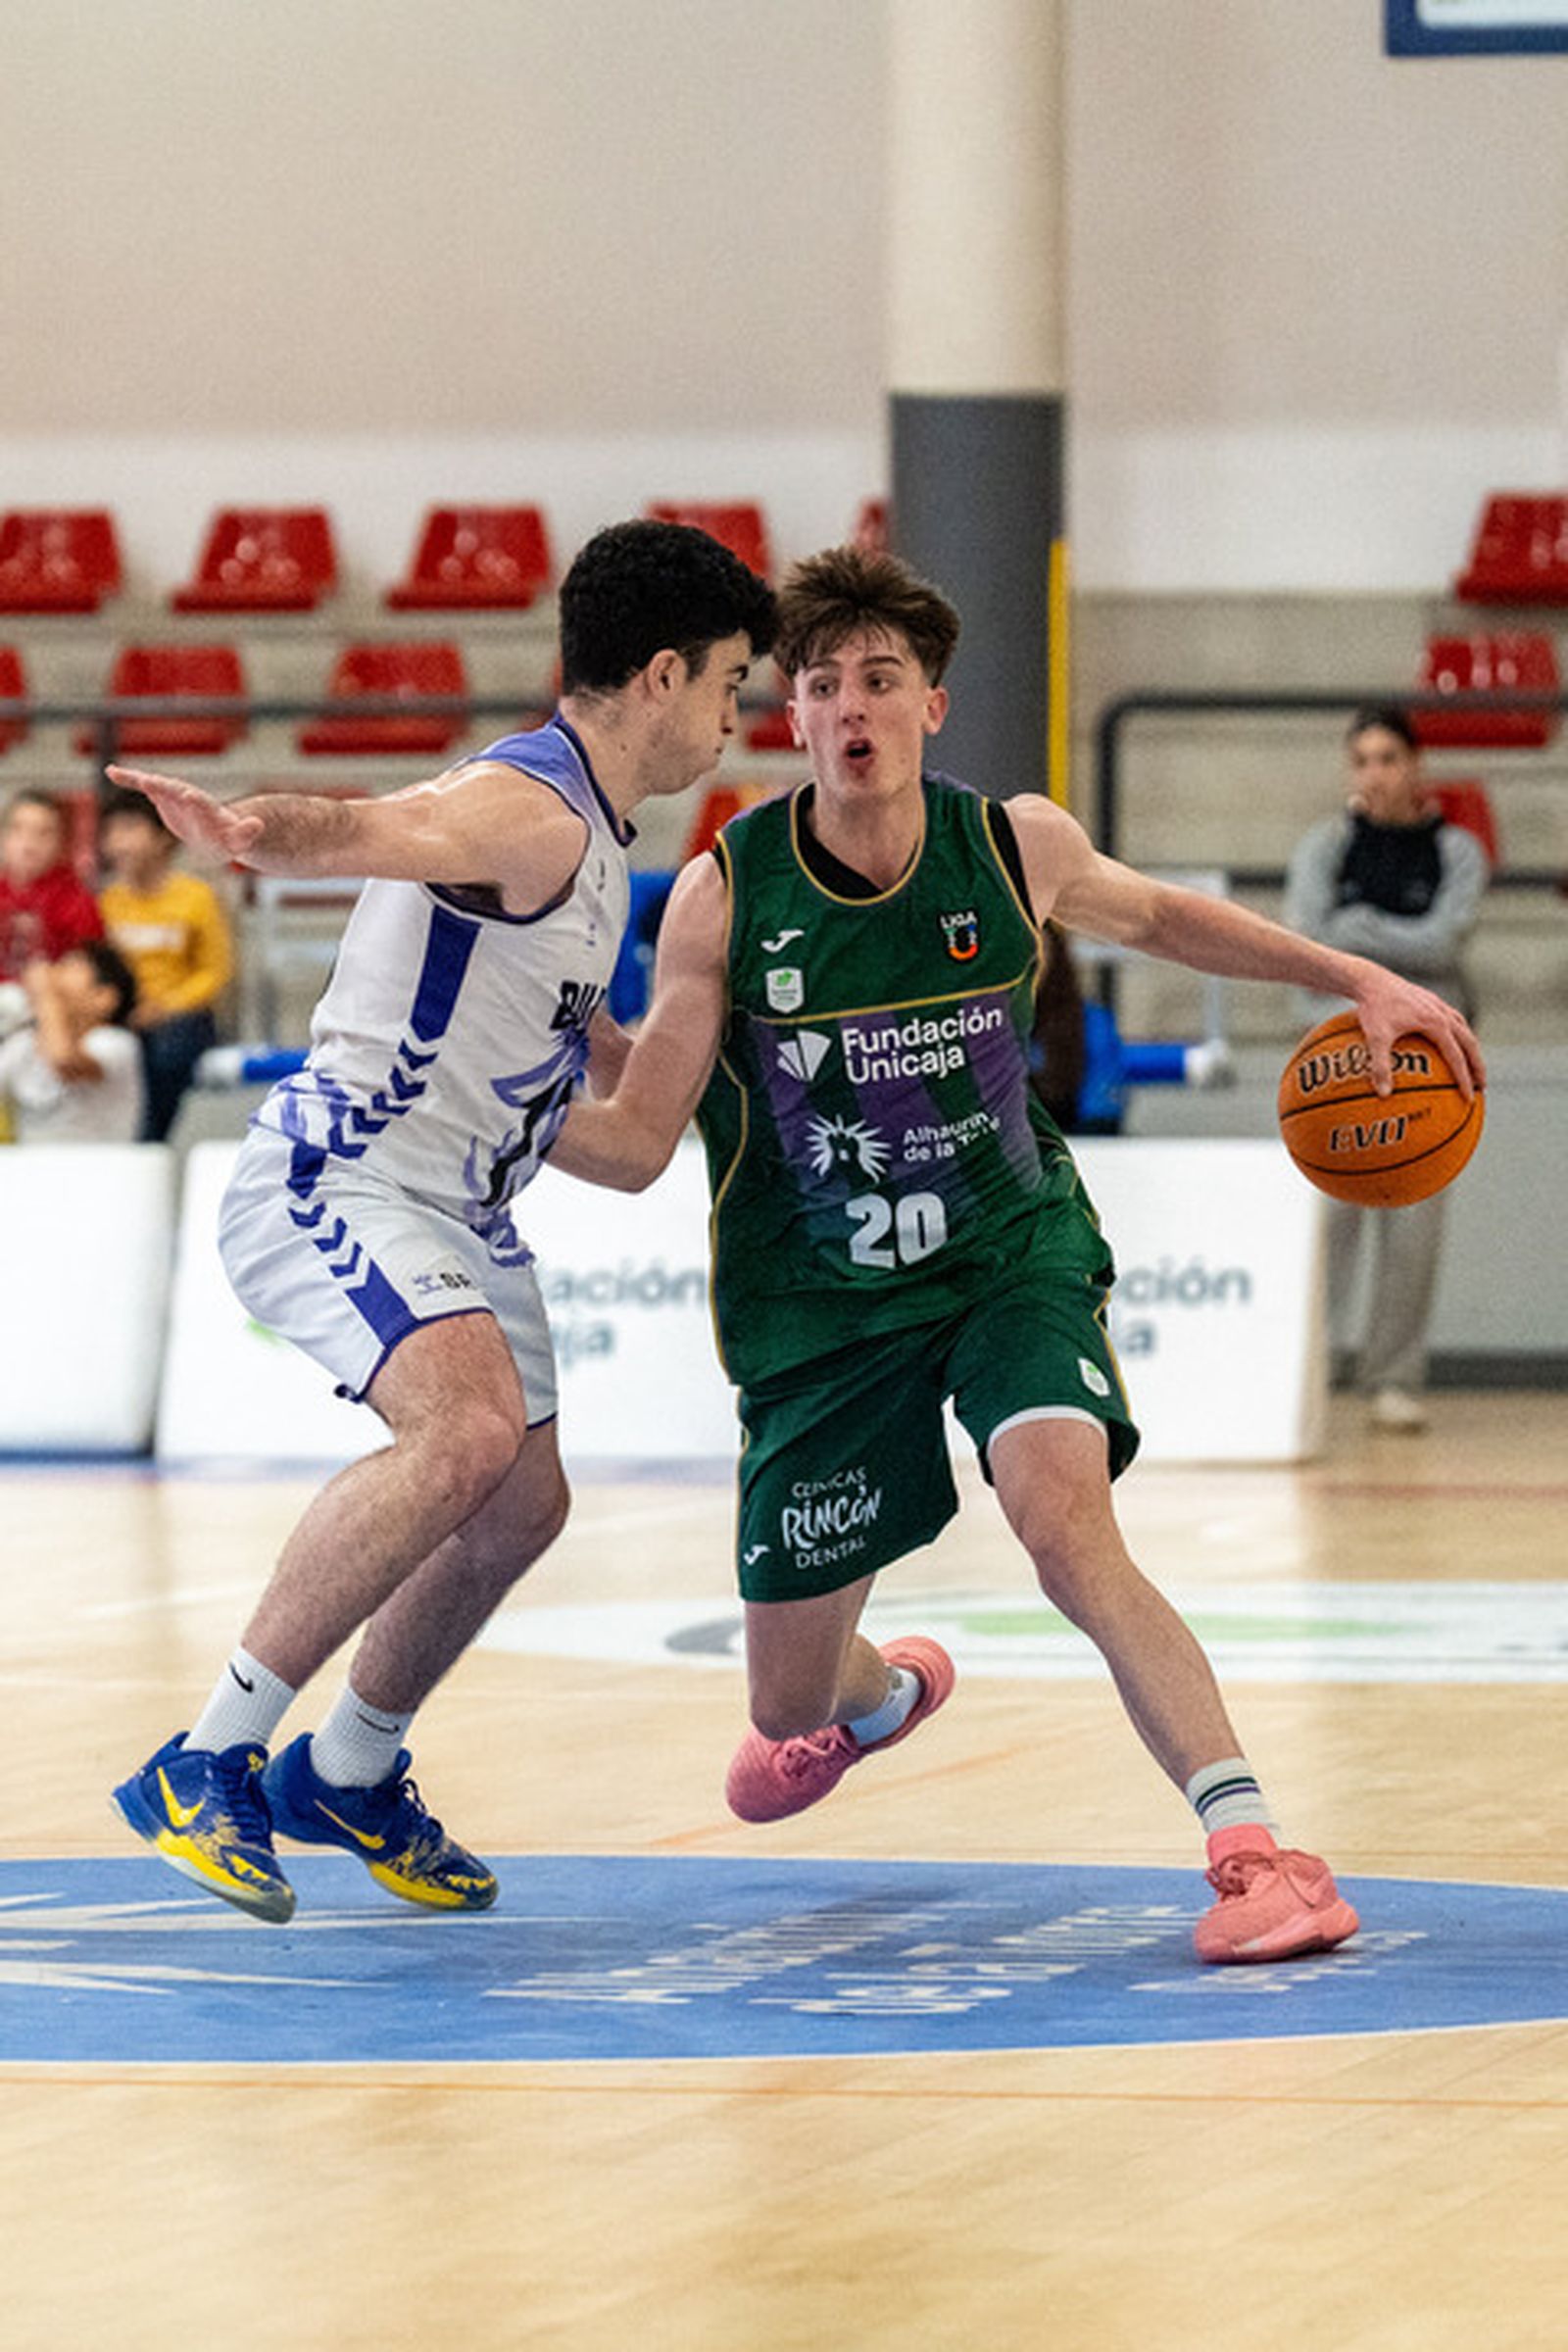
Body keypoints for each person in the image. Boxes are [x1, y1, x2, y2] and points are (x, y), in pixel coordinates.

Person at [553, 545, 1485, 1967]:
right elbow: (636, 1139)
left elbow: (1169, 919)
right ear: (790, 719)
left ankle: (1255, 1852)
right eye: (821, 684)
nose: (851, 706)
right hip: (821, 1303)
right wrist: (498, 1072)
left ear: (934, 705)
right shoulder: (723, 894)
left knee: (1065, 1525)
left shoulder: (1015, 844)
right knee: (780, 1714)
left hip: (1007, 1252)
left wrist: (1356, 976)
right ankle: (868, 1704)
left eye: (882, 679)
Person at [108, 517, 776, 1925]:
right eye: (730, 684)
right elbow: (385, 829)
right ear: (661, 676)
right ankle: (209, 1755)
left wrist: (703, 1002)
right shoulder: (525, 805)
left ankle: (347, 1767)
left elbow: (632, 1145)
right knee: (465, 1430)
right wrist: (254, 832)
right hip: (342, 1179)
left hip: (464, 1208)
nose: (737, 718)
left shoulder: (595, 853)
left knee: (523, 1502)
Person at [1285, 707, 1489, 1434]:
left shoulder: (1457, 851)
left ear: (1415, 765)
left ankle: (1392, 1379)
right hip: (1338, 1060)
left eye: (1388, 758)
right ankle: (1310, 1371)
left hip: (1429, 1063)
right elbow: (1305, 938)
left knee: (1414, 1230)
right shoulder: (1325, 847)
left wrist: (1360, 933)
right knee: (1325, 1223)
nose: (1375, 773)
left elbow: (1444, 940)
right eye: (1362, 760)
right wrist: (1387, 946)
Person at [97, 788, 235, 1142]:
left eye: (129, 829)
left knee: (167, 1050)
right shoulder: (107, 903)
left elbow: (216, 972)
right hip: (124, 1014)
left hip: (181, 1018)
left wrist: (167, 1006)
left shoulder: (195, 898)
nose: (118, 843)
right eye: (111, 832)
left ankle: (150, 1140)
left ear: (162, 837)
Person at [0, 942, 143, 1144]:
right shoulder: (23, 1044)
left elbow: (64, 1061)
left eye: (72, 967)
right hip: (32, 1170)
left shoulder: (116, 1043)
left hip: (101, 1170)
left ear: (104, 998)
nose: (55, 973)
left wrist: (46, 997)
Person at [0, 789, 104, 984]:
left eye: (43, 833)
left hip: (49, 1000)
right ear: (4, 837)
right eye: (18, 829)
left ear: (61, 843)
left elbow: (86, 974)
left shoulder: (78, 901)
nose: (29, 843)